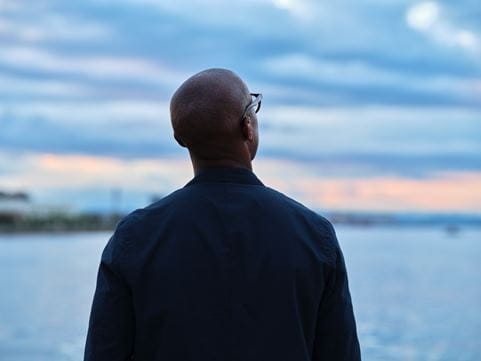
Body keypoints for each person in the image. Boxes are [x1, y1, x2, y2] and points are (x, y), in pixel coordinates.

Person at [83, 68, 361, 361]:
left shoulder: (136, 237)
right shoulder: (314, 236)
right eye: (253, 108)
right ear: (247, 128)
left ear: (180, 139)